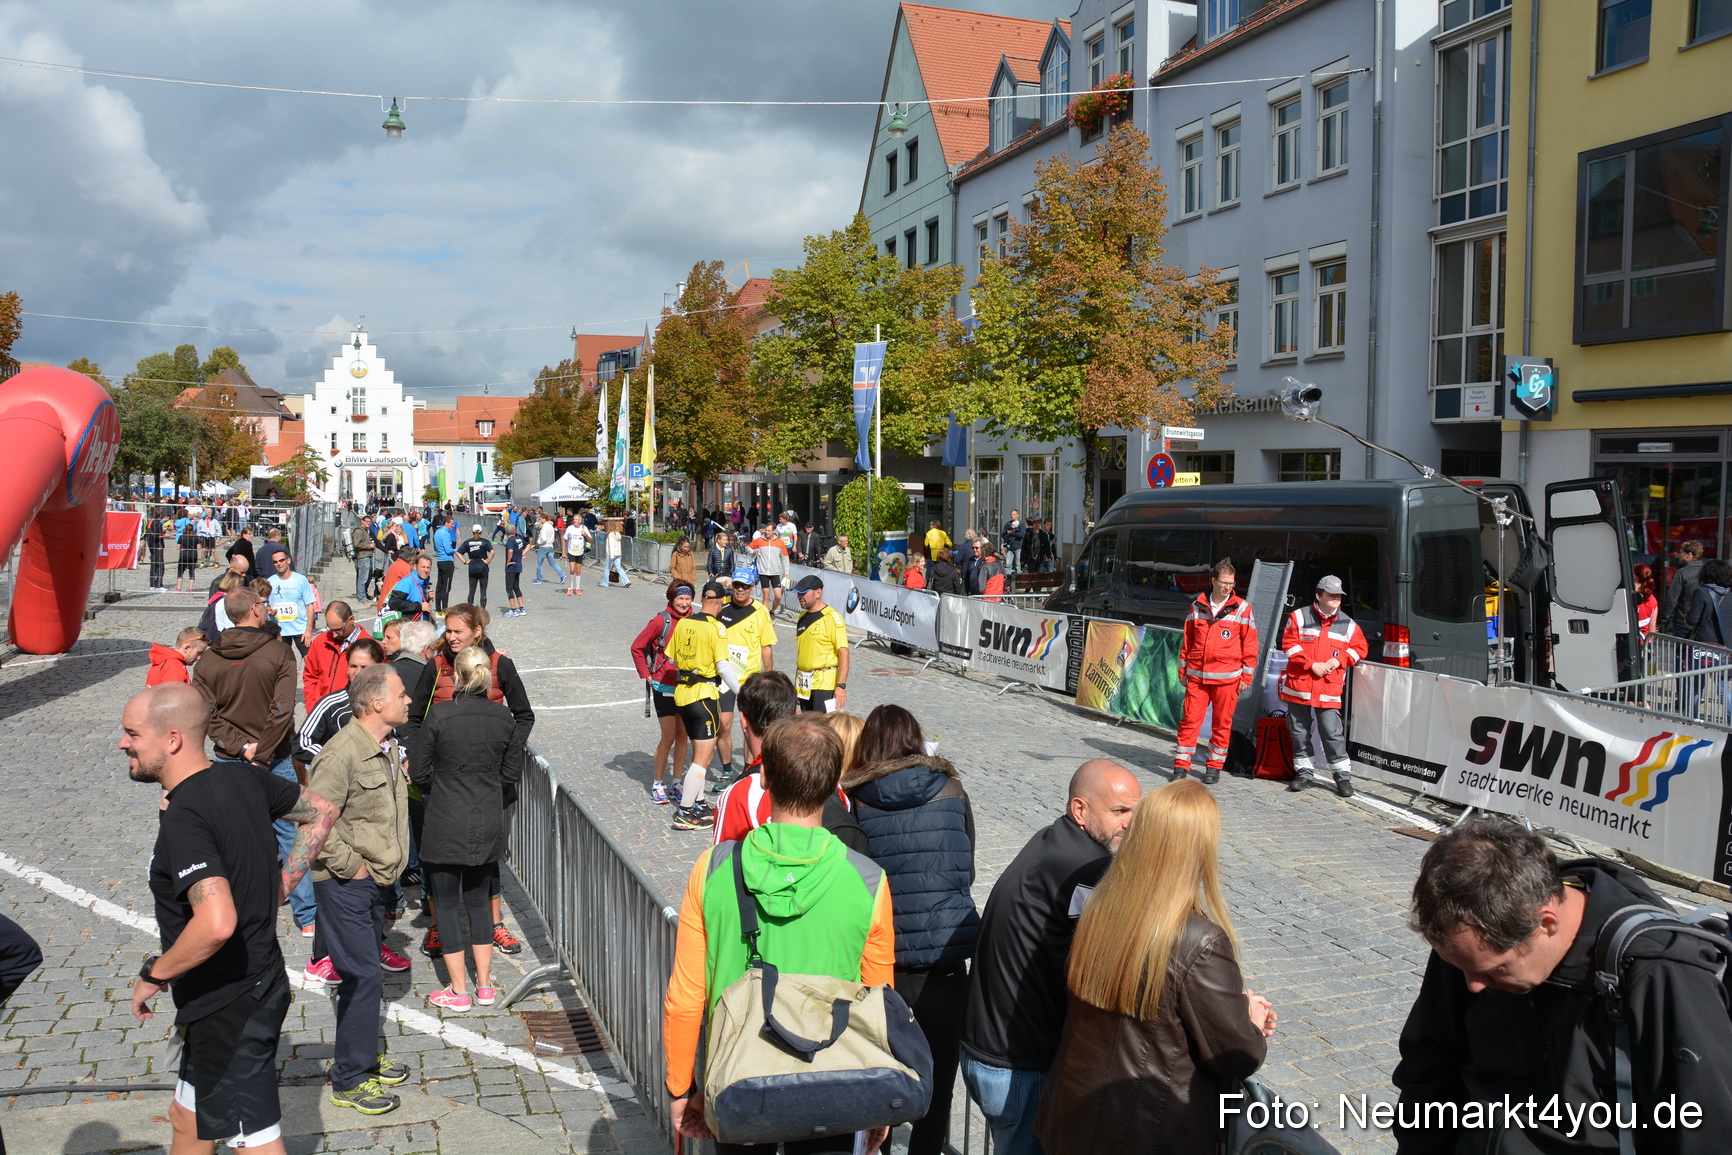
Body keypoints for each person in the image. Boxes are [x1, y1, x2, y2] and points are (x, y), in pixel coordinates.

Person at [1393, 818, 1732, 1154]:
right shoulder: (1472, 942)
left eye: (1496, 970)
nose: (1475, 986)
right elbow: (1429, 1066)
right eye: (1462, 967)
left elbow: (1705, 1129)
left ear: (1547, 923)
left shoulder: (1661, 973)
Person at [662, 716, 896, 1155]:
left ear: (764, 774)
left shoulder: (713, 870)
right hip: (833, 1078)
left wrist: (680, 1086)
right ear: (833, 784)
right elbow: (879, 1001)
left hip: (740, 1076)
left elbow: (686, 995)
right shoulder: (868, 881)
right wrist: (878, 1101)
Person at [122, 683, 338, 1155]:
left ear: (172, 739)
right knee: (186, 1117)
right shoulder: (243, 778)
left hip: (233, 1001)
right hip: (224, 996)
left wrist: (154, 974)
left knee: (254, 1142)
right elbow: (320, 810)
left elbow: (216, 923)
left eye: (132, 733)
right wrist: (282, 881)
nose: (123, 743)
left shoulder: (186, 815)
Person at [1035, 780, 1274, 1155]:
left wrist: (1231, 1009)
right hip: (1147, 1132)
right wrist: (1251, 1023)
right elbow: (1235, 1055)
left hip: (1074, 1119)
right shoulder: (1201, 940)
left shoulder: (1098, 907)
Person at [961, 760, 1143, 1155]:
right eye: (1119, 812)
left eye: (1135, 811)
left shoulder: (1054, 840)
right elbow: (1117, 961)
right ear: (1080, 810)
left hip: (991, 1048)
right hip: (1019, 1065)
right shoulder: (1088, 867)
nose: (1131, 823)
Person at [843, 705, 979, 1155]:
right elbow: (968, 867)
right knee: (938, 1085)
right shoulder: (953, 791)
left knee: (883, 1074)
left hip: (883, 967)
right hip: (943, 961)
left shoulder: (857, 800)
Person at [304, 662, 414, 1112]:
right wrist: (355, 868)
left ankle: (363, 1056)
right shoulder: (340, 753)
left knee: (365, 977)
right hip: (346, 883)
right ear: (376, 703)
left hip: (372, 884)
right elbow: (311, 824)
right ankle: (350, 1077)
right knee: (364, 975)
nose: (409, 699)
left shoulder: (383, 746)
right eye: (402, 693)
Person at [402, 604, 533, 958]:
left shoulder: (500, 665)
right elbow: (415, 719)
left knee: (486, 857)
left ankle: (494, 923)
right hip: (442, 784)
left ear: (477, 631)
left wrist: (508, 754)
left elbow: (523, 715)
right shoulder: (436, 665)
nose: (451, 636)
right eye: (448, 630)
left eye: (458, 631)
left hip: (488, 783)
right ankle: (436, 925)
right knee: (436, 859)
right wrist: (420, 763)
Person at [192, 588, 317, 938]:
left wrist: (242, 747)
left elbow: (205, 716)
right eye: (263, 604)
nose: (268, 608)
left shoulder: (208, 661)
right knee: (291, 836)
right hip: (271, 758)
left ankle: (231, 910)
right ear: (253, 610)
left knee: (232, 837)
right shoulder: (279, 652)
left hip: (229, 758)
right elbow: (282, 710)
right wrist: (260, 752)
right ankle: (307, 916)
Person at [413, 646, 521, 1012]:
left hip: (445, 816)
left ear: (456, 676)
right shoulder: (503, 718)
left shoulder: (441, 714)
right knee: (478, 901)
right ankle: (485, 985)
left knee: (445, 904)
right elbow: (510, 773)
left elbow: (419, 772)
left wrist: (441, 786)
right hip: (486, 816)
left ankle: (458, 989)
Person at [1280, 574, 1368, 798]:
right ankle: (1304, 772)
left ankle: (1342, 777)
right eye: (1332, 595)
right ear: (1319, 596)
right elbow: (1289, 645)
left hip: (1328, 689)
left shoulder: (1348, 624)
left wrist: (1339, 660)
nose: (1337, 599)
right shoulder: (1298, 616)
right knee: (1299, 733)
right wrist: (1312, 665)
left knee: (1332, 733)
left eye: (1339, 595)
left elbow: (1360, 648)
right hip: (1300, 686)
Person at [1173, 560, 1257, 784]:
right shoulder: (1197, 606)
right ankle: (1181, 766)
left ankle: (1213, 767)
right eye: (1223, 582)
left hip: (1227, 680)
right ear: (1213, 581)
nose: (1227, 587)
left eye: (1231, 583)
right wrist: (1183, 669)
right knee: (1189, 721)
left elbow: (1250, 645)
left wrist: (1246, 676)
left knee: (1222, 724)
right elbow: (1188, 641)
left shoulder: (1242, 608)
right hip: (1198, 678)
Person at [665, 581, 735, 830]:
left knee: (697, 753)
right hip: (704, 697)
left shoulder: (684, 622)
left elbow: (671, 656)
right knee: (702, 759)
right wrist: (743, 693)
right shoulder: (716, 627)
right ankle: (685, 812)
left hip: (682, 696)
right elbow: (724, 666)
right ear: (722, 602)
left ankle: (698, 801)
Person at [631, 582, 694, 806]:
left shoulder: (695, 620)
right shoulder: (661, 620)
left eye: (688, 599)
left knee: (682, 736)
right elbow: (637, 647)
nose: (684, 603)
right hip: (664, 687)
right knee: (668, 737)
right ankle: (658, 783)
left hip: (687, 687)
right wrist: (646, 675)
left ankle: (676, 782)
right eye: (680, 599)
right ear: (671, 599)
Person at [716, 572, 777, 779]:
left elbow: (766, 647)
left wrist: (768, 678)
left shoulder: (760, 611)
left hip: (749, 679)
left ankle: (748, 770)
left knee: (749, 728)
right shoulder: (721, 605)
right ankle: (725, 770)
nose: (741, 589)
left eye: (746, 586)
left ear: (753, 588)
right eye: (737, 585)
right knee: (723, 725)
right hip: (723, 678)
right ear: (732, 585)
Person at [297, 638, 388, 765]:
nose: (357, 673)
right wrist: (338, 758)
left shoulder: (391, 700)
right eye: (353, 666)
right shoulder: (331, 704)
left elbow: (405, 738)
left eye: (364, 667)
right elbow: (301, 744)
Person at [792, 574, 849, 713]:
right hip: (804, 683)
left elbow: (844, 653)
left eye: (803, 593)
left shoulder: (832, 618)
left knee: (820, 728)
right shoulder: (802, 617)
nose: (799, 596)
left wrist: (841, 686)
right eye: (798, 593)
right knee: (806, 727)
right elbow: (802, 653)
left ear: (818, 593)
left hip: (824, 683)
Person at [302, 602, 362, 712]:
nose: (334, 635)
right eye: (330, 629)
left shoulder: (368, 647)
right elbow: (310, 676)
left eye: (338, 630)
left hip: (350, 714)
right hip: (320, 711)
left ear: (351, 620)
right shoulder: (321, 641)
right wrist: (312, 707)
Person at [267, 550, 320, 659]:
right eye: (275, 562)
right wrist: (268, 609)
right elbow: (265, 604)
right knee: (282, 661)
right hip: (280, 629)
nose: (279, 564)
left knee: (309, 660)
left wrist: (309, 630)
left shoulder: (301, 580)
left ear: (288, 560)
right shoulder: (270, 581)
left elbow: (310, 605)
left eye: (281, 560)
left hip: (300, 629)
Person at [1662, 539, 1706, 636]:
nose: (1678, 555)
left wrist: (1662, 620)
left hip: (1683, 621)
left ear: (1689, 555)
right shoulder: (1707, 571)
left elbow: (1672, 599)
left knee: (1681, 650)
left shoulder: (1682, 573)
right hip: (1702, 622)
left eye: (1681, 552)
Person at [1683, 558, 1730, 645]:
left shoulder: (1702, 592)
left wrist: (1686, 620)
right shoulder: (1729, 594)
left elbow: (1692, 619)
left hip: (1706, 642)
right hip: (1727, 642)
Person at [386, 554, 434, 623]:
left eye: (428, 567)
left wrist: (427, 596)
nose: (426, 570)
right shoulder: (408, 581)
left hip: (421, 624)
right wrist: (419, 606)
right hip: (409, 625)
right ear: (415, 567)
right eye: (423, 567)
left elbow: (417, 599)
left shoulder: (424, 580)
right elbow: (394, 603)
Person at [458, 524, 493, 608]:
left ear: (472, 532)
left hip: (472, 567)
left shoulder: (468, 542)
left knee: (472, 590)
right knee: (483, 590)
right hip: (483, 567)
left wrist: (465, 561)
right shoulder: (485, 542)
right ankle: (483, 609)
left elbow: (458, 552)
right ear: (481, 532)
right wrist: (487, 561)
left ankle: (470, 609)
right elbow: (492, 552)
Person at [432, 516, 458, 612]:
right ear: (446, 523)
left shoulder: (437, 532)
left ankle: (438, 608)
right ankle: (445, 609)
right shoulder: (446, 533)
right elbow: (448, 550)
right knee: (446, 587)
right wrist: (456, 550)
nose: (453, 525)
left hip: (440, 560)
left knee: (440, 585)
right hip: (447, 561)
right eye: (451, 523)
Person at [501, 522, 527, 617]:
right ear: (514, 531)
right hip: (518, 565)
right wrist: (522, 553)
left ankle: (513, 609)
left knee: (509, 588)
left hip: (511, 567)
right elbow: (528, 545)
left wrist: (508, 561)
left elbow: (510, 551)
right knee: (516, 587)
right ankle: (521, 608)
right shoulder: (518, 539)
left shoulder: (510, 541)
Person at [561, 515, 590, 596]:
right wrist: (563, 551)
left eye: (576, 519)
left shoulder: (584, 528)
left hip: (580, 552)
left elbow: (590, 539)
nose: (574, 520)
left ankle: (577, 588)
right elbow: (564, 539)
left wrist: (586, 535)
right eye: (574, 519)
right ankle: (570, 587)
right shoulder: (570, 528)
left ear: (580, 521)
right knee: (572, 569)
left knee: (578, 570)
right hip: (571, 552)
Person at [1633, 562, 1660, 641]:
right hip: (1644, 640)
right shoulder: (1652, 599)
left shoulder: (1629, 597)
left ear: (1635, 577)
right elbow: (1652, 627)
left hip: (1629, 640)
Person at [174, 515, 200, 594]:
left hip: (183, 554)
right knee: (192, 571)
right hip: (193, 554)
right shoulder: (196, 537)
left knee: (180, 571)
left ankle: (178, 588)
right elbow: (198, 547)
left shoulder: (182, 537)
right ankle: (190, 589)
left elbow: (177, 546)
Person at [602, 519, 631, 588]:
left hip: (611, 554)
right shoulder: (618, 534)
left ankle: (605, 583)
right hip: (618, 553)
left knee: (607, 568)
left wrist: (611, 555)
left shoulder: (611, 534)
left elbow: (611, 546)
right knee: (619, 568)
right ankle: (626, 581)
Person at [145, 508, 169, 591]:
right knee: (160, 566)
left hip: (151, 546)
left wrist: (162, 532)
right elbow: (155, 536)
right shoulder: (157, 522)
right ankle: (158, 585)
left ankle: (152, 585)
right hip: (157, 546)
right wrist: (165, 536)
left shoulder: (150, 521)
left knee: (153, 565)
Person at [533, 516, 559, 584]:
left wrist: (538, 542)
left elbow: (543, 538)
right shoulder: (550, 526)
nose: (540, 520)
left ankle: (539, 579)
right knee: (552, 562)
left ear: (544, 519)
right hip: (550, 545)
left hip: (544, 546)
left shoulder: (544, 527)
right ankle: (562, 575)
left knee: (539, 563)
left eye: (540, 519)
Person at [1002, 510, 1026, 574]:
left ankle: (1018, 581)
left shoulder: (1021, 524)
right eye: (1011, 514)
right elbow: (1004, 534)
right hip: (1010, 547)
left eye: (1014, 514)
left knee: (1018, 565)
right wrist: (1006, 538)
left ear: (1017, 515)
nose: (1012, 516)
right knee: (1008, 564)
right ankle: (1008, 579)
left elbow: (1021, 534)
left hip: (1018, 547)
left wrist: (1012, 532)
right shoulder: (1008, 524)